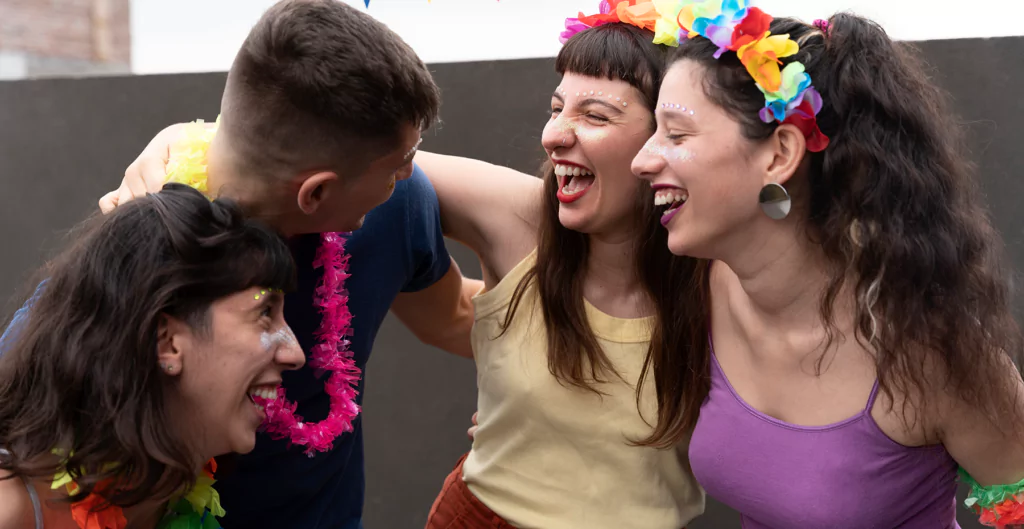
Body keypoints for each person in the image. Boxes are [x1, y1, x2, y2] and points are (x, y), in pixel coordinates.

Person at [33, 1, 482, 528]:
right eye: (397, 167)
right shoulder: (139, 257)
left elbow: (453, 315)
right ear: (316, 192)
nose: (410, 176)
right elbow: (35, 447)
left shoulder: (392, 209)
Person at [631, 5, 1024, 528]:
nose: (642, 159)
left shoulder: (929, 348)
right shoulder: (702, 285)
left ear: (779, 155)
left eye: (676, 135)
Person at [415, 3, 707, 527]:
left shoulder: (719, 264)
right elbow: (367, 158)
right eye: (556, 108)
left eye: (595, 115)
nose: (554, 136)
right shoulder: (522, 216)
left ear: (669, 137)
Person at [0, 184, 305, 529]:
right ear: (167, 341)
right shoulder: (9, 509)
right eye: (265, 313)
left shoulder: (173, 499)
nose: (296, 354)